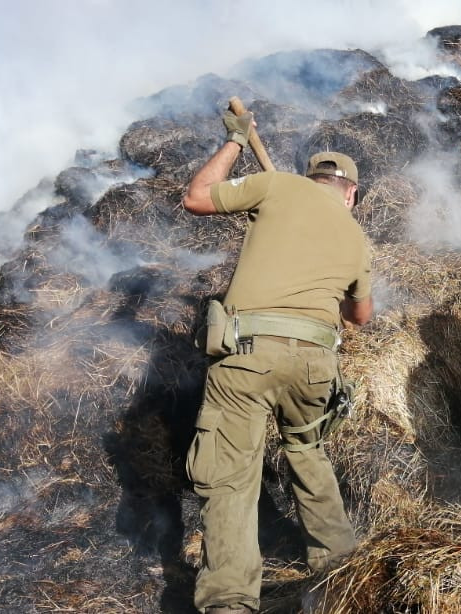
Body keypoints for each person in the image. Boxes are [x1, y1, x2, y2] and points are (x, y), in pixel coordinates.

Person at [181, 108, 374, 614]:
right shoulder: (356, 237)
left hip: (246, 357)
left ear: (313, 178)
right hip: (315, 366)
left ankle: (229, 602)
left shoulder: (277, 186)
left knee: (230, 478)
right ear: (350, 193)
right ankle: (342, 579)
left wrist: (235, 143)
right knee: (310, 458)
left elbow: (197, 197)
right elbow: (360, 316)